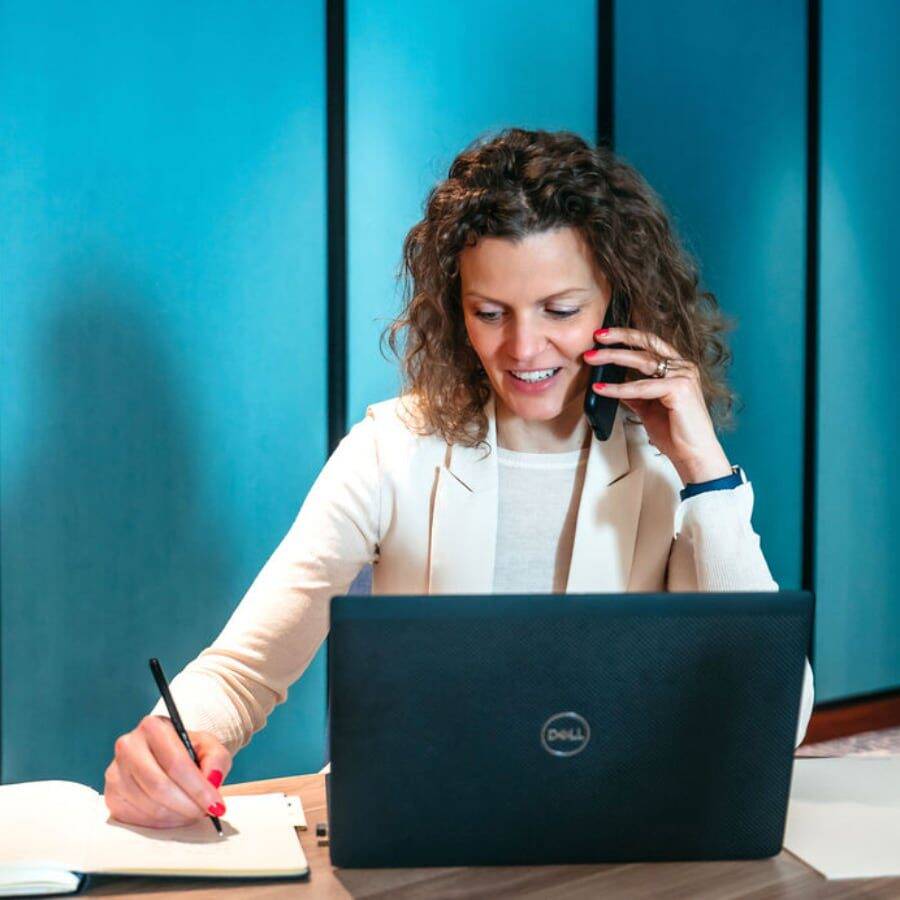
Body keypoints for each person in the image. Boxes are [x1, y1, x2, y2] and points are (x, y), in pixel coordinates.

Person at [104, 127, 814, 828]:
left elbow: (774, 714)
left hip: (607, 833)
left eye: (561, 310)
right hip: (417, 832)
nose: (524, 347)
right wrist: (169, 742)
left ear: (616, 304)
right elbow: (244, 673)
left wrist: (705, 473)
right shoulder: (389, 450)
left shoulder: (667, 467)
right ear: (455, 312)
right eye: (490, 313)